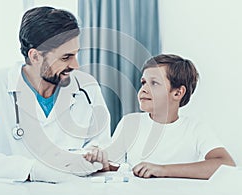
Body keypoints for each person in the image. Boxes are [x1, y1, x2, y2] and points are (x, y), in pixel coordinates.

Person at [0, 6, 111, 182]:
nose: (75, 65)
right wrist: (31, 170)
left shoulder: (86, 87)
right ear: (35, 56)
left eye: (76, 54)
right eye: (65, 57)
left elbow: (102, 145)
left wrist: (95, 153)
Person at [84, 54, 236, 179]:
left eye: (154, 83)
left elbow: (226, 164)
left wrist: (162, 170)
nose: (143, 89)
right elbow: (114, 167)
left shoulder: (195, 129)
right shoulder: (130, 123)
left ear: (177, 93)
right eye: (143, 82)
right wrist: (101, 163)